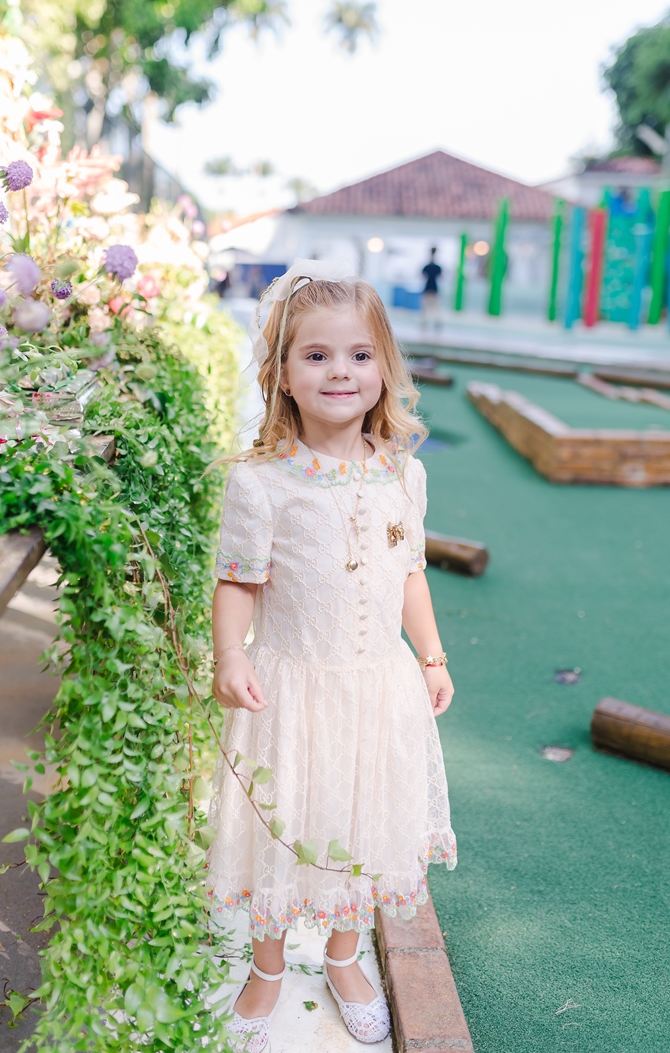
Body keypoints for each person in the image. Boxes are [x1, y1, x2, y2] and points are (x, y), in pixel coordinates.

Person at [206, 259, 456, 1051]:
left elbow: (408, 571)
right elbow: (237, 581)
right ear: (281, 373)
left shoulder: (403, 475)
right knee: (284, 824)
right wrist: (229, 655)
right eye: (316, 356)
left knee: (362, 819)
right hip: (290, 688)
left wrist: (433, 657)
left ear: (384, 368)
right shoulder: (262, 484)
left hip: (377, 691)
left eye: (358, 355)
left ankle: (347, 958)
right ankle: (269, 966)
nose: (339, 372)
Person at [420, 246, 442, 332]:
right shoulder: (437, 267)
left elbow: (422, 276)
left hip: (428, 288)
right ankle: (436, 323)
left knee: (426, 308)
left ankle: (426, 323)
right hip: (434, 289)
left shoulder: (427, 266)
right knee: (435, 308)